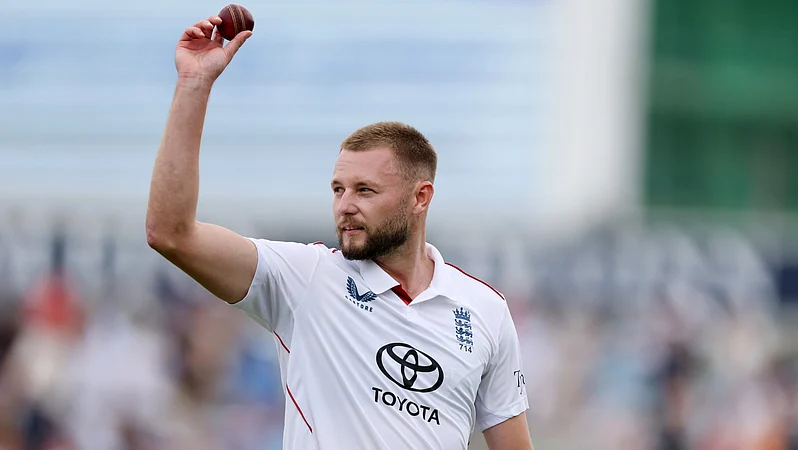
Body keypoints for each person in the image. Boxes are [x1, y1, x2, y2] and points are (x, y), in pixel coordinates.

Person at [146, 13, 533, 450]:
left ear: (420, 198)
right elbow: (171, 234)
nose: (345, 205)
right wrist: (194, 84)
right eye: (337, 189)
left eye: (365, 190)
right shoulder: (305, 277)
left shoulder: (485, 310)